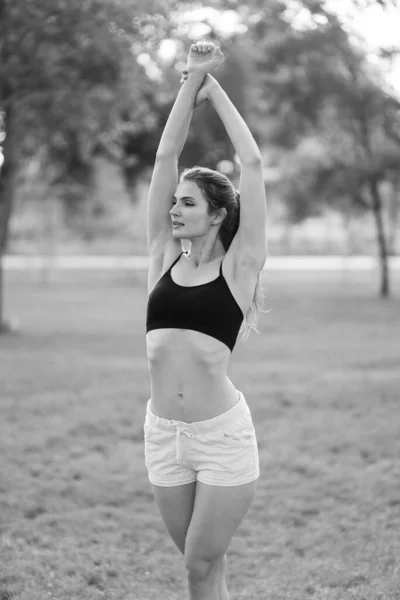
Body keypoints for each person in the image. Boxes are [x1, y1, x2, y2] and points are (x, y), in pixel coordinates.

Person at [144, 40, 268, 600]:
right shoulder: (162, 258)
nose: (174, 209)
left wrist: (212, 90)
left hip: (221, 438)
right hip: (163, 436)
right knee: (203, 570)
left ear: (218, 214)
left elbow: (254, 163)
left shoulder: (239, 270)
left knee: (199, 565)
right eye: (175, 202)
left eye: (188, 204)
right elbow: (164, 158)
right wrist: (190, 82)